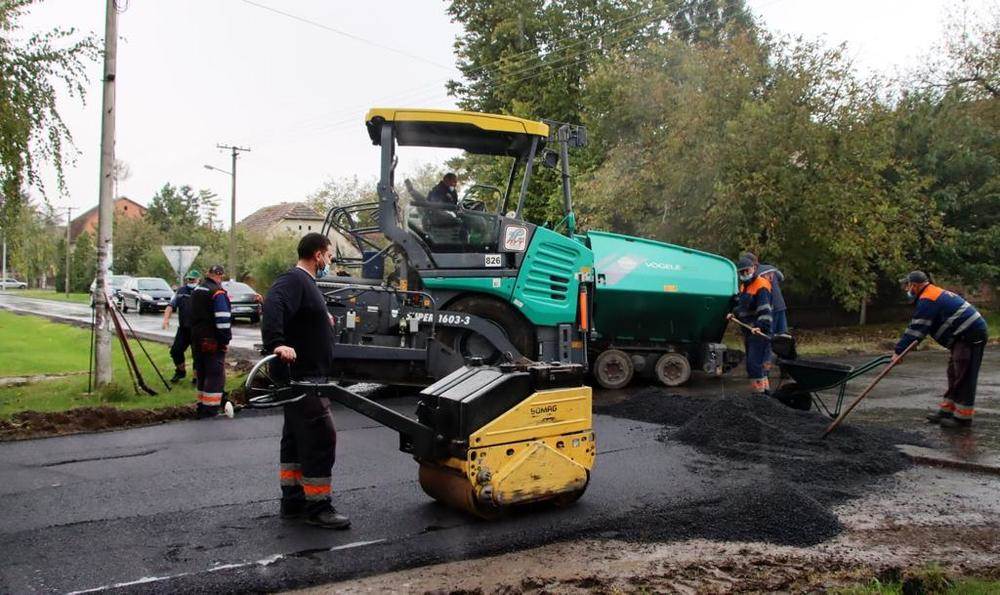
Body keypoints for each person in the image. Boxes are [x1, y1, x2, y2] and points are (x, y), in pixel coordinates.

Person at [261, 233, 350, 530]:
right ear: (318, 254)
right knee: (320, 438)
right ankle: (319, 507)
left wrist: (323, 318)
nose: (330, 261)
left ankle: (293, 501)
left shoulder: (306, 283)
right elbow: (273, 304)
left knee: (296, 439)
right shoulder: (295, 279)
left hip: (306, 376)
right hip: (304, 379)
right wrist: (277, 343)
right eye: (329, 255)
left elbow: (302, 315)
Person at [894, 271, 989, 429]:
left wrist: (899, 352)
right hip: (961, 336)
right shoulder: (931, 294)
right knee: (953, 373)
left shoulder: (928, 299)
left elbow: (917, 329)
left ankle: (962, 419)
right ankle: (947, 411)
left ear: (915, 286)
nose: (906, 289)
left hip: (970, 335)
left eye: (907, 285)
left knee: (964, 375)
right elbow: (923, 327)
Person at [190, 264, 233, 418]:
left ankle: (201, 406)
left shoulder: (197, 290)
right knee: (214, 374)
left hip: (196, 339)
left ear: (208, 273)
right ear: (220, 275)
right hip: (212, 341)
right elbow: (223, 320)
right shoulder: (217, 293)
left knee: (201, 372)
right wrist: (225, 340)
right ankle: (210, 409)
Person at [728, 255, 773, 395]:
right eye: (742, 272)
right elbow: (743, 307)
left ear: (753, 268)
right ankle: (765, 394)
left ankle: (760, 395)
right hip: (749, 330)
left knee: (754, 364)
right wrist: (733, 313)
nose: (745, 273)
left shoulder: (761, 285)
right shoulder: (744, 286)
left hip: (759, 331)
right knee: (756, 363)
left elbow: (765, 310)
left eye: (747, 270)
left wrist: (760, 326)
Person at [162, 270, 200, 383]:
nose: (190, 281)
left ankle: (197, 377)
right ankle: (180, 372)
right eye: (189, 279)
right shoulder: (181, 291)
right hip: (184, 328)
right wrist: (166, 319)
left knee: (197, 354)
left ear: (198, 280)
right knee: (175, 351)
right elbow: (170, 306)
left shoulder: (202, 291)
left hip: (198, 329)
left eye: (193, 279)